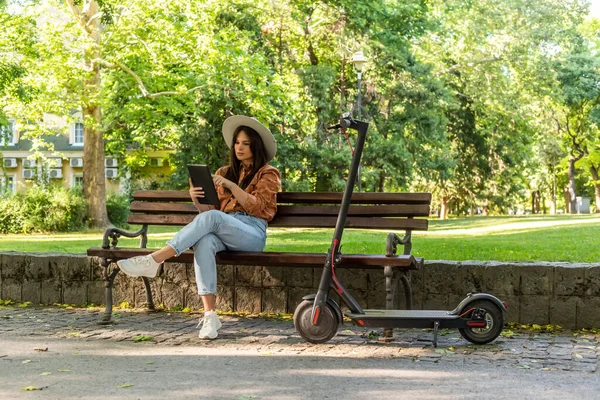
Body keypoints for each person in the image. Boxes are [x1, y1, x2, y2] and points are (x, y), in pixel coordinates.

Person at [117, 115, 281, 340]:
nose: (239, 147)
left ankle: (154, 260)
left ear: (256, 146)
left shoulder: (268, 173)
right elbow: (210, 213)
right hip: (223, 228)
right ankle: (210, 316)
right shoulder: (224, 172)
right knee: (204, 241)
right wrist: (196, 199)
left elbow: (261, 208)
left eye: (246, 143)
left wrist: (232, 187)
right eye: (237, 142)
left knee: (214, 218)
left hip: (252, 232)